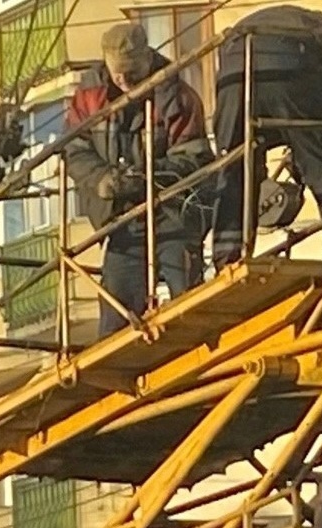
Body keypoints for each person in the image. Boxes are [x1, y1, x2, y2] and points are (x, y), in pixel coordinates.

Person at [64, 23, 212, 334]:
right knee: (115, 310)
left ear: (148, 60)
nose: (124, 80)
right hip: (123, 220)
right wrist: (101, 179)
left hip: (173, 212)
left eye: (131, 72)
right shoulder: (89, 96)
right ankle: (117, 374)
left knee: (187, 298)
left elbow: (193, 156)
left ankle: (196, 349)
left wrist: (145, 177)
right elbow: (74, 149)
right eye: (117, 72)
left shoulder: (177, 96)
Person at [210, 6, 322, 268]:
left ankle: (226, 258)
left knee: (233, 170)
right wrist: (319, 155)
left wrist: (298, 153)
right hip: (290, 62)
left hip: (233, 69)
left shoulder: (306, 23)